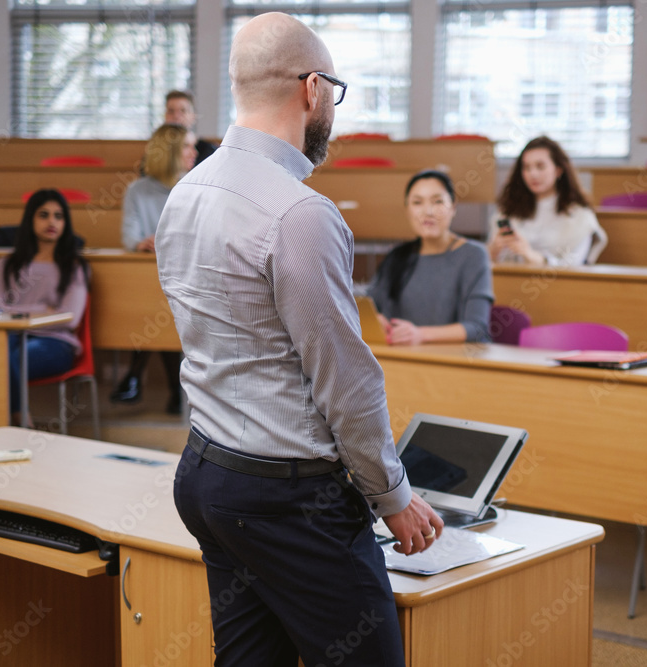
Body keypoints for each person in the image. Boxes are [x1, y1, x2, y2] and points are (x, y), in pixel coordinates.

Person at [156, 13, 442, 666]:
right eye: (333, 94)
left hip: (208, 473)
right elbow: (345, 379)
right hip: (289, 497)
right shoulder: (301, 213)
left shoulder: (186, 192)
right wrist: (392, 496)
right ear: (312, 90)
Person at [111, 123, 197, 414]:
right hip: (149, 278)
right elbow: (129, 237)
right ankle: (174, 389)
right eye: (187, 146)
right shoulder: (138, 190)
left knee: (158, 308)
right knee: (152, 305)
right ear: (171, 151)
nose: (194, 152)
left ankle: (134, 376)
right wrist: (141, 243)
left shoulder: (196, 186)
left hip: (188, 280)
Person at [0, 189, 89, 426]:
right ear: (30, 219)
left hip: (56, 343)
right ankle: (19, 422)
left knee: (11, 357)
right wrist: (45, 309)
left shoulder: (74, 267)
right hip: (11, 337)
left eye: (58, 216)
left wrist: (15, 310)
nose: (52, 221)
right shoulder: (7, 264)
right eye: (44, 215)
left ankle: (20, 420)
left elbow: (70, 318)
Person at [368, 170, 494, 345]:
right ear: (407, 210)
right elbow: (370, 307)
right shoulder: (397, 256)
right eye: (417, 202)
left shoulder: (473, 255)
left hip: (454, 362)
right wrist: (376, 320)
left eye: (438, 202)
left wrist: (420, 335)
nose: (428, 211)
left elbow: (477, 327)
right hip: (401, 358)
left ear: (453, 207)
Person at [488, 136, 607, 266]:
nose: (533, 174)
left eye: (540, 167)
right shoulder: (508, 211)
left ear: (558, 170)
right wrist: (493, 251)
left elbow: (574, 265)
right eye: (527, 168)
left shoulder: (580, 217)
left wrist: (531, 256)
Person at [165, 90, 218, 165]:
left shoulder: (209, 152)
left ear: (193, 116)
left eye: (183, 111)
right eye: (171, 111)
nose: (176, 116)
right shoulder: (156, 150)